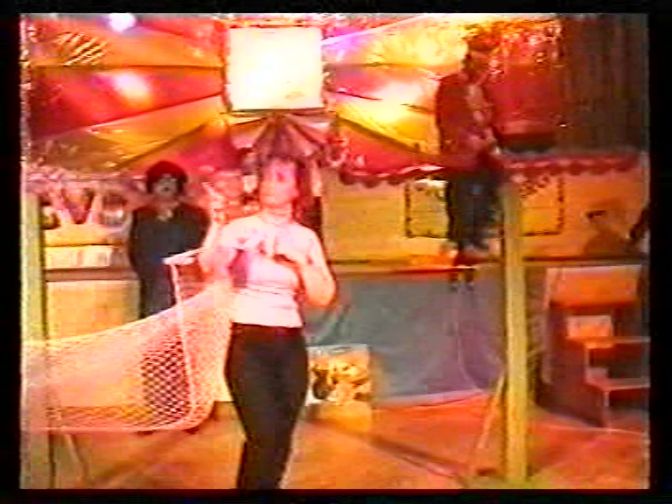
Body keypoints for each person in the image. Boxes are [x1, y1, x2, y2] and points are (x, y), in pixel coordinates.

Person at [199, 155, 337, 490]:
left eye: (281, 177)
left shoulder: (305, 238)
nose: (269, 183)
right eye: (266, 176)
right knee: (264, 434)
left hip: (288, 344)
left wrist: (299, 264)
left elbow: (323, 296)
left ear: (296, 189)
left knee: (281, 436)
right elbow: (212, 272)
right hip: (247, 342)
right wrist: (217, 226)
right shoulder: (241, 229)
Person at [127, 160, 209, 434]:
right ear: (151, 185)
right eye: (161, 179)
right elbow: (135, 253)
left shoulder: (194, 215)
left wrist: (186, 274)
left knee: (185, 352)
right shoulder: (141, 216)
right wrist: (154, 276)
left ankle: (187, 413)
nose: (166, 184)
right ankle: (157, 414)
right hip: (153, 289)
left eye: (172, 180)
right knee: (154, 352)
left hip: (186, 290)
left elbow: (201, 252)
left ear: (180, 185)